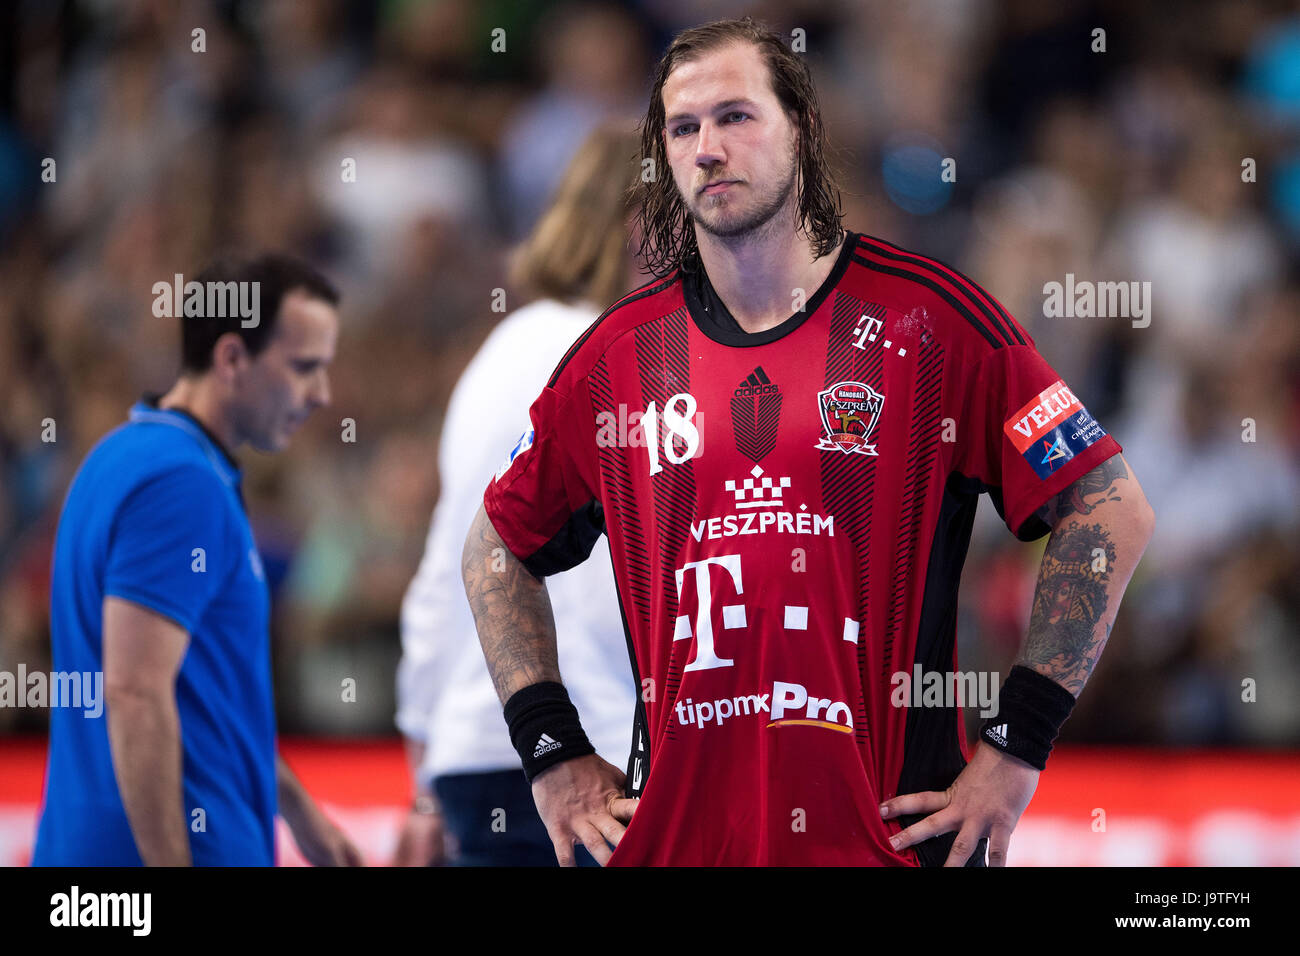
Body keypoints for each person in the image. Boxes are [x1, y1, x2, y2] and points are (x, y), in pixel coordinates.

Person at [462, 17, 1155, 867]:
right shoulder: (615, 360)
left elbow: (1109, 506)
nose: (708, 148)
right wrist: (551, 750)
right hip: (676, 847)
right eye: (683, 129)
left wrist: (1016, 749)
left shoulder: (930, 323)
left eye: (736, 116)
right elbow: (497, 546)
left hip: (888, 845)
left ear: (805, 129)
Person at [32, 252, 362, 866]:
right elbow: (134, 690)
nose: (322, 395)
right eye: (304, 368)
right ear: (232, 358)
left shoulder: (130, 456)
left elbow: (203, 692)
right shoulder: (180, 484)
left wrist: (296, 809)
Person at [392, 125, 642, 867]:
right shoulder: (632, 356)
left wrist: (425, 766)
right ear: (638, 226)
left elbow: (447, 567)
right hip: (597, 753)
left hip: (479, 747)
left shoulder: (500, 353)